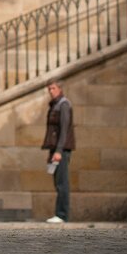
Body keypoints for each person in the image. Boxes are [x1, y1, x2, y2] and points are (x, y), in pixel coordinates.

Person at [42, 80, 75, 223]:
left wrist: (59, 151)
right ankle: (59, 214)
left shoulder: (64, 105)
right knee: (57, 182)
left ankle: (62, 214)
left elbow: (64, 130)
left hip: (60, 150)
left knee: (62, 183)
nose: (50, 91)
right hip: (54, 149)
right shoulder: (55, 105)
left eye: (53, 88)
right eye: (49, 89)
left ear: (60, 89)